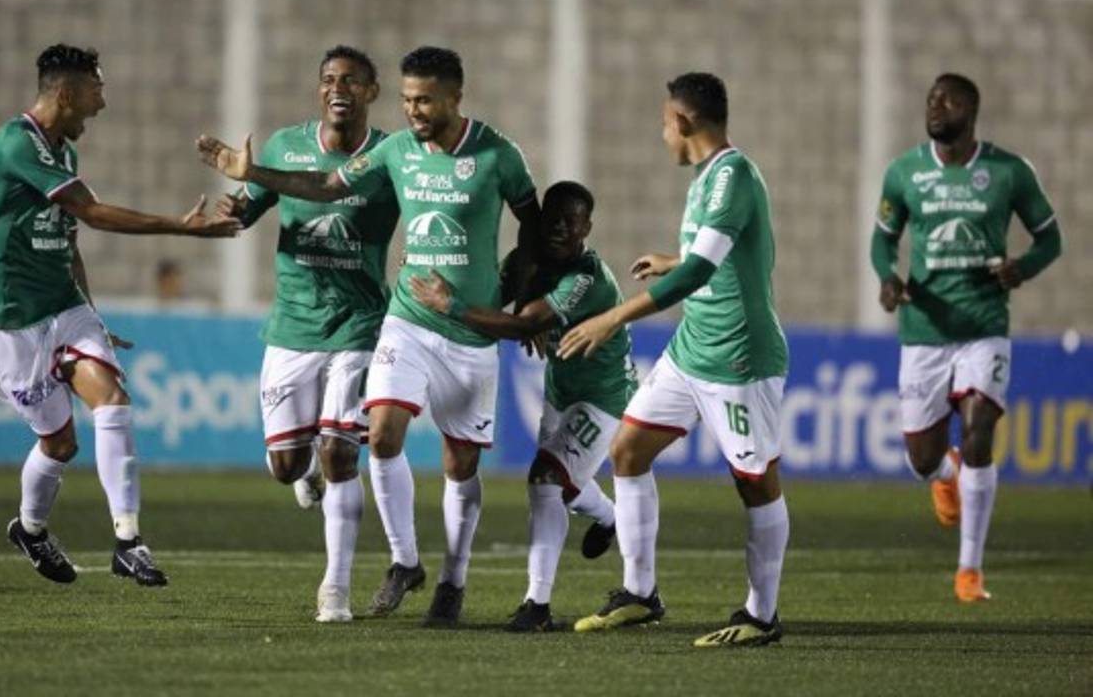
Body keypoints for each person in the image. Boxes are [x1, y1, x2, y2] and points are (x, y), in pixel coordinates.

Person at [199, 46, 539, 626]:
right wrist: (250, 175)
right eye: (409, 100)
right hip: (403, 319)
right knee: (375, 437)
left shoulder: (499, 154)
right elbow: (329, 187)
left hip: (469, 330)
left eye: (425, 100)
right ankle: (400, 563)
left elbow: (534, 230)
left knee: (459, 465)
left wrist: (520, 300)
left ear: (456, 97)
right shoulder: (395, 150)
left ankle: (452, 582)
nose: (414, 111)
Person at [0, 44, 240, 587]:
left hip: (64, 308)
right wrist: (183, 227)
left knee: (113, 400)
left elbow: (70, 242)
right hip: (11, 318)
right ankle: (30, 528)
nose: (102, 102)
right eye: (96, 89)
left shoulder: (62, 154)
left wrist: (91, 315)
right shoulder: (15, 144)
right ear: (66, 93)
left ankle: (128, 541)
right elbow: (91, 213)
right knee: (60, 444)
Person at [559, 72, 790, 647]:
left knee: (755, 481)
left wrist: (614, 316)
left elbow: (702, 272)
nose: (662, 134)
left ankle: (761, 616)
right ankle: (640, 593)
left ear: (684, 122)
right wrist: (673, 258)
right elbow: (706, 254)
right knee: (628, 451)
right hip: (694, 349)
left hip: (738, 356)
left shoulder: (732, 176)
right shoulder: (709, 178)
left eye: (665, 123)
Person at [212, 45, 398, 622]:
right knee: (287, 467)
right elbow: (250, 207)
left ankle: (334, 590)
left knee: (343, 452)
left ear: (371, 91)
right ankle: (307, 468)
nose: (337, 88)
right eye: (327, 80)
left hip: (359, 326)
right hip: (292, 327)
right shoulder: (282, 147)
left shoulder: (392, 157)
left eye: (351, 80)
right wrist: (231, 213)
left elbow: (338, 191)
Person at [408, 180, 636, 632]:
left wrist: (463, 307)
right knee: (559, 482)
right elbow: (496, 302)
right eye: (553, 218)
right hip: (560, 390)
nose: (560, 228)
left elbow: (517, 323)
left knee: (546, 480)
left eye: (572, 221)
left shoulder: (586, 279)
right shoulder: (527, 259)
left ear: (587, 227)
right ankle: (611, 516)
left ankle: (537, 606)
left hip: (603, 396)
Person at [870, 73, 1061, 603]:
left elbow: (1051, 239)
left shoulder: (1008, 172)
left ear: (971, 111)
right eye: (930, 97)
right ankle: (943, 472)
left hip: (984, 326)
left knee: (978, 430)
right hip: (925, 330)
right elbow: (883, 241)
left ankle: (969, 571)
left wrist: (1021, 269)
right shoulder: (905, 172)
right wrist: (888, 278)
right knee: (921, 458)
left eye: (947, 99)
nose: (935, 105)